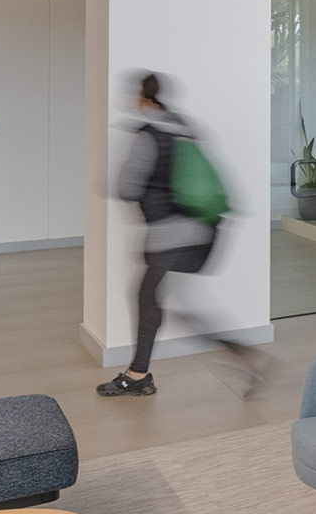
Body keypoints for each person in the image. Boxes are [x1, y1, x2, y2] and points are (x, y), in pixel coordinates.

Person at [99, 73, 259, 397]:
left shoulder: (148, 134)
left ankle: (139, 375)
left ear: (143, 98)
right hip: (204, 230)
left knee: (149, 299)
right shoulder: (186, 127)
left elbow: (126, 187)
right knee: (168, 302)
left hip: (171, 234)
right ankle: (142, 372)